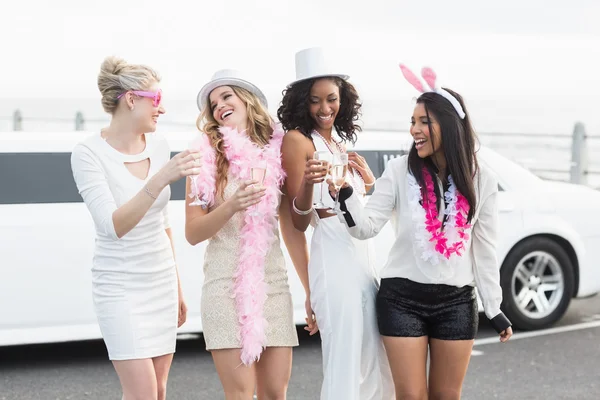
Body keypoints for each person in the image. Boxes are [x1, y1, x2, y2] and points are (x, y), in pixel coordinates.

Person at [332, 64, 514, 399]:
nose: (414, 129)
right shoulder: (400, 170)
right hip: (402, 299)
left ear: (449, 125)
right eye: (412, 122)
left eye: (423, 121)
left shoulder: (482, 179)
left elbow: (485, 248)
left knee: (446, 396)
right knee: (411, 396)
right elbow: (366, 228)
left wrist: (495, 306)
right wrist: (347, 199)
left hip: (457, 302)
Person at [70, 56, 198, 400]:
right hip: (120, 287)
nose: (162, 109)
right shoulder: (87, 154)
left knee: (158, 390)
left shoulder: (158, 146)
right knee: (140, 392)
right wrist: (162, 178)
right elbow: (112, 226)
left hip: (160, 282)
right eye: (156, 100)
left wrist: (178, 287)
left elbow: (163, 224)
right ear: (131, 99)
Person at [277, 47, 394, 400]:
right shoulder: (297, 142)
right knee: (343, 361)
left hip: (363, 255)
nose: (325, 109)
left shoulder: (339, 144)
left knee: (375, 356)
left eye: (332, 99)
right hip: (332, 252)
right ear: (302, 102)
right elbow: (297, 221)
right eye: (315, 101)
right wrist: (311, 184)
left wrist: (369, 184)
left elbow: (355, 206)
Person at [184, 69, 299, 400]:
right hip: (224, 287)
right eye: (213, 103)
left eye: (225, 97)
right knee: (240, 394)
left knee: (275, 393)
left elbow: (292, 225)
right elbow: (192, 233)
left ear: (246, 100)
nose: (219, 106)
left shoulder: (279, 150)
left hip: (273, 285)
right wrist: (230, 206)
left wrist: (310, 290)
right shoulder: (203, 156)